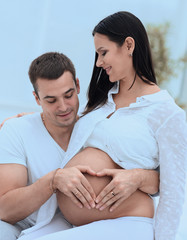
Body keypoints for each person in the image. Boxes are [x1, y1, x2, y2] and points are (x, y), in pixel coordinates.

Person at [34, 11, 187, 240]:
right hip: (78, 221)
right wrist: (27, 118)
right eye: (97, 54)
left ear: (128, 45)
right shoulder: (102, 102)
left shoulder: (167, 113)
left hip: (127, 222)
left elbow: (174, 191)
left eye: (103, 52)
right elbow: (66, 123)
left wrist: (138, 176)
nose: (98, 62)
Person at [0, 52, 158, 240]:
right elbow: (5, 209)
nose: (63, 107)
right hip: (30, 226)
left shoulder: (98, 125)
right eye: (51, 100)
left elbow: (160, 181)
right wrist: (53, 181)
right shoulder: (17, 130)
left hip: (90, 227)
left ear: (77, 85)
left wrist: (138, 177)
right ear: (37, 99)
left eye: (68, 95)